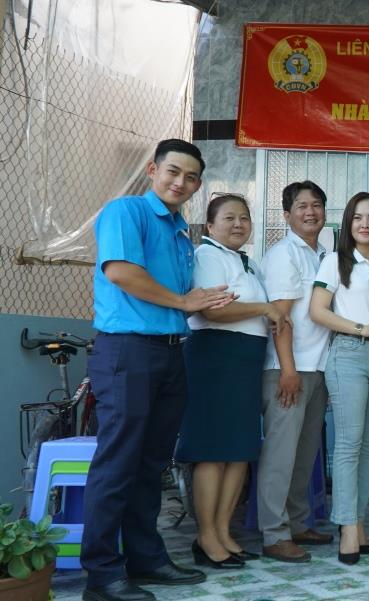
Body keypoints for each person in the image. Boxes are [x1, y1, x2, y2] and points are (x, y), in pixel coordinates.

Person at [83, 139, 234, 601]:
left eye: (191, 177)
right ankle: (102, 574)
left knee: (152, 464)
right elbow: (121, 272)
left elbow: (185, 297)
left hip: (171, 353)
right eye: (173, 172)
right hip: (127, 351)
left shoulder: (179, 232)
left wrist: (205, 302)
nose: (180, 183)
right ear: (153, 170)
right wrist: (185, 301)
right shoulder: (125, 212)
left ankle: (146, 559)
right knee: (119, 462)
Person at [175, 194, 289, 570]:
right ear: (210, 226)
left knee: (239, 451)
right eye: (229, 218)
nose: (239, 224)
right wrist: (264, 308)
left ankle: (224, 532)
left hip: (244, 362)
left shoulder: (248, 263)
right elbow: (211, 309)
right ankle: (206, 536)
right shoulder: (207, 256)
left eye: (244, 218)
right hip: (214, 358)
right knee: (212, 450)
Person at [309, 192, 369, 565]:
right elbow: (317, 311)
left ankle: (359, 524)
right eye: (358, 217)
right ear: (348, 223)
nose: (365, 224)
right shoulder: (335, 262)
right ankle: (346, 528)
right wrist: (363, 328)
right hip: (349, 352)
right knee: (348, 443)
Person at [257, 181, 333, 563]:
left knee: (306, 453)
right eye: (301, 206)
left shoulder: (323, 254)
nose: (310, 212)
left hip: (317, 368)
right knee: (280, 454)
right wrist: (287, 369)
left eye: (316, 205)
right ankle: (274, 533)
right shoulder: (284, 255)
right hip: (290, 369)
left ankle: (298, 522)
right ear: (287, 215)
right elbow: (280, 317)